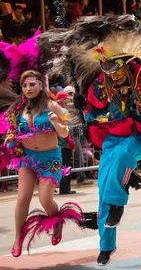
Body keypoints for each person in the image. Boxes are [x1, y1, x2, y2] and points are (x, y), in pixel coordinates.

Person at [39, 15, 141, 266]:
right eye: (106, 69)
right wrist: (83, 107)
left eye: (115, 69)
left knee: (121, 159)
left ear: (125, 64)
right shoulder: (100, 84)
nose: (112, 75)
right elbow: (94, 111)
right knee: (103, 185)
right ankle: (106, 244)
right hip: (112, 138)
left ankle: (117, 204)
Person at [0, 68, 83, 257]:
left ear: (41, 85)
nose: (28, 88)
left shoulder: (51, 105)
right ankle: (18, 238)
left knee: (45, 199)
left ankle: (57, 221)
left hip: (50, 159)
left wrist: (56, 123)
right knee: (22, 198)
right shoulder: (17, 109)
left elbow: (66, 133)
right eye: (24, 85)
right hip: (27, 159)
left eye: (32, 84)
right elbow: (10, 132)